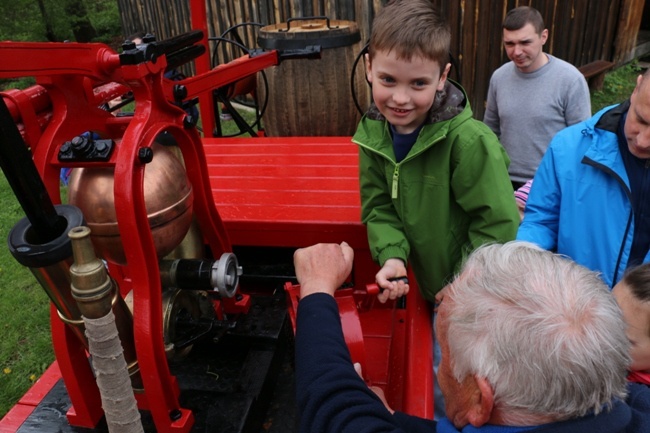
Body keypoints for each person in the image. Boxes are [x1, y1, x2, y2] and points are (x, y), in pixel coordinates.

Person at [293, 241, 650, 432]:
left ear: (480, 401)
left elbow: (329, 408)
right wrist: (393, 418)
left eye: (443, 355)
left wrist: (316, 287)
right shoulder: (637, 404)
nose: (439, 366)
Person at [352, 0, 519, 304]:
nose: (400, 98)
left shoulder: (469, 143)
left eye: (418, 84)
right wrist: (392, 257)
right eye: (388, 79)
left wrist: (463, 281)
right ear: (369, 68)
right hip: (421, 286)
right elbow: (379, 207)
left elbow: (497, 224)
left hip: (469, 294)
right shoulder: (374, 136)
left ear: (442, 77)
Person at [517, 69, 650, 287]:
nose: (643, 141)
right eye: (641, 120)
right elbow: (542, 220)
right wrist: (518, 261)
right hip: (579, 309)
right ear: (636, 88)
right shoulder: (567, 148)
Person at [483, 6, 591, 190]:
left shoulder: (570, 80)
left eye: (525, 42)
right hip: (503, 179)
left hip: (549, 182)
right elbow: (489, 131)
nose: (516, 52)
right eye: (509, 44)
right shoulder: (499, 77)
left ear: (544, 36)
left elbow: (582, 140)